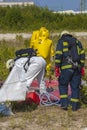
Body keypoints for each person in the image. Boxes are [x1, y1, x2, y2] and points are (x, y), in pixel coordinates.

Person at [0, 27, 54, 103]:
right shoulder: (19, 60)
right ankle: (44, 96)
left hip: (37, 63)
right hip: (42, 61)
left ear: (11, 64)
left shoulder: (17, 63)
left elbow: (22, 77)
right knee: (40, 80)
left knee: (27, 80)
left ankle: (21, 98)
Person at [55, 30, 85, 111]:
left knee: (63, 85)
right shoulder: (77, 42)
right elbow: (82, 55)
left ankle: (64, 104)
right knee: (75, 87)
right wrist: (82, 67)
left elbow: (58, 54)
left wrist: (57, 67)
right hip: (77, 68)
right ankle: (74, 106)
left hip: (66, 68)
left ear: (62, 35)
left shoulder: (61, 41)